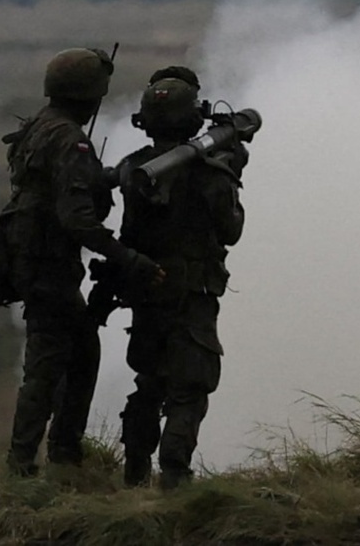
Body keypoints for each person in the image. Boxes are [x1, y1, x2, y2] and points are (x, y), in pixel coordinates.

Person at [0, 48, 164, 477]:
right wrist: (129, 259)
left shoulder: (38, 127)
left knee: (75, 354)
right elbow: (77, 220)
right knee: (48, 363)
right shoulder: (70, 139)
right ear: (89, 95)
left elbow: (51, 186)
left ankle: (61, 455)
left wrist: (105, 177)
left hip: (33, 261)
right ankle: (30, 463)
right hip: (49, 266)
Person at [115, 66, 246, 489]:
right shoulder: (208, 172)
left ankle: (134, 472)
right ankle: (174, 477)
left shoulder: (133, 169)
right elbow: (231, 230)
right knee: (190, 387)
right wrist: (231, 172)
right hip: (192, 293)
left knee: (149, 382)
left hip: (147, 290)